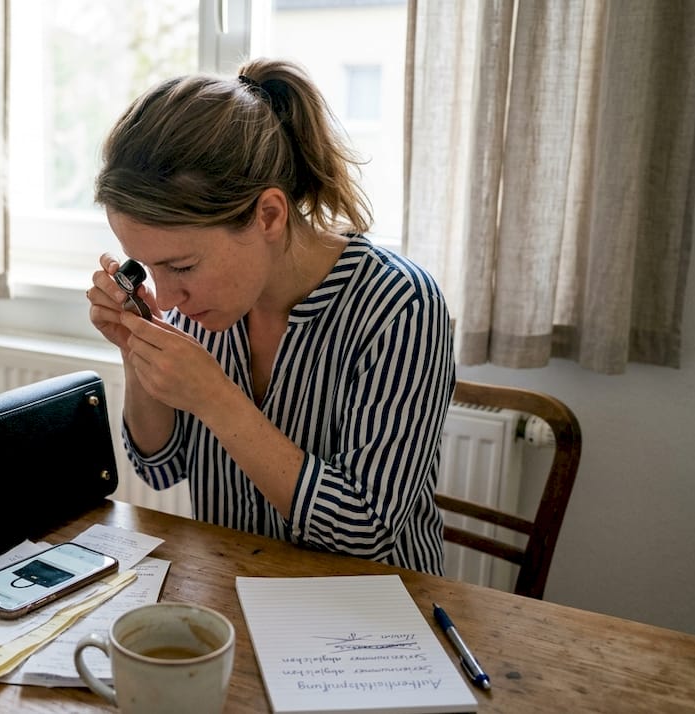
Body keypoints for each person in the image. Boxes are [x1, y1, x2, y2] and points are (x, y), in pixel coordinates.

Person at [86, 58, 456, 575]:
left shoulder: (400, 306)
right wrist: (136, 344)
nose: (166, 297)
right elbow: (160, 465)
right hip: (236, 585)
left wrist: (217, 399)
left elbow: (366, 530)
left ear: (269, 215)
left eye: (182, 266)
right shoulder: (207, 306)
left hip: (371, 603)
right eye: (149, 268)